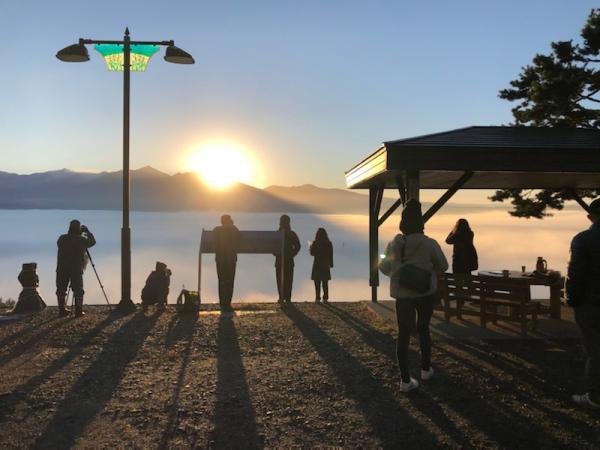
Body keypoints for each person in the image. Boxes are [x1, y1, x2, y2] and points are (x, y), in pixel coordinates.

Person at [379, 199, 448, 392]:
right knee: (423, 329)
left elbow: (384, 268)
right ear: (421, 222)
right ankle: (426, 370)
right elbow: (443, 266)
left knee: (403, 334)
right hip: (425, 293)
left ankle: (405, 381)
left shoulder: (394, 244)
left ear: (403, 222)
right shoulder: (429, 244)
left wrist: (398, 270)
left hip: (403, 296)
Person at [566, 198, 600, 409]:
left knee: (595, 350)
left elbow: (575, 274)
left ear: (591, 217)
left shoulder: (583, 239)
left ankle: (595, 398)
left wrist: (572, 299)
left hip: (591, 303)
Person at [56, 220, 96, 317]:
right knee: (78, 289)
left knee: (61, 289)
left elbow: (60, 245)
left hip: (62, 268)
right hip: (76, 268)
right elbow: (92, 242)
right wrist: (87, 232)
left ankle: (62, 310)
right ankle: (78, 311)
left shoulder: (61, 238)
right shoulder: (81, 240)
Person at [213, 214, 241, 312]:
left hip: (220, 259)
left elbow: (213, 240)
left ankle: (222, 301)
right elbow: (239, 238)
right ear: (230, 221)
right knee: (230, 280)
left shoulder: (216, 230)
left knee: (221, 280)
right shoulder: (234, 229)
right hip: (231, 259)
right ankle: (227, 302)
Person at [275, 214, 301, 303]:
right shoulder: (292, 234)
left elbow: (272, 246)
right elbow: (298, 246)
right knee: (288, 279)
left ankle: (282, 297)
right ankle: (287, 298)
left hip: (281, 260)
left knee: (280, 279)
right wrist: (292, 254)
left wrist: (276, 253)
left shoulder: (277, 234)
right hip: (288, 260)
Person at [310, 227, 333, 302]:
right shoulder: (328, 243)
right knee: (325, 282)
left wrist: (311, 247)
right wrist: (331, 263)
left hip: (317, 264)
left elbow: (312, 253)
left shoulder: (315, 243)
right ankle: (325, 297)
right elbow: (331, 254)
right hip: (325, 264)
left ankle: (317, 297)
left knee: (317, 282)